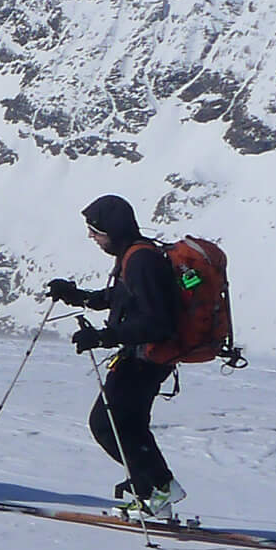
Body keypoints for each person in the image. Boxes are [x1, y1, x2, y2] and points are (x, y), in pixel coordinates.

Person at [45, 193, 185, 519]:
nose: (91, 237)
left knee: (107, 425)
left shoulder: (140, 261)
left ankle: (156, 489)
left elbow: (156, 322)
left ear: (113, 229)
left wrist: (104, 337)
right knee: (129, 426)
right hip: (146, 358)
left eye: (95, 230)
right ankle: (157, 490)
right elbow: (121, 299)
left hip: (144, 359)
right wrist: (78, 297)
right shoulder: (133, 255)